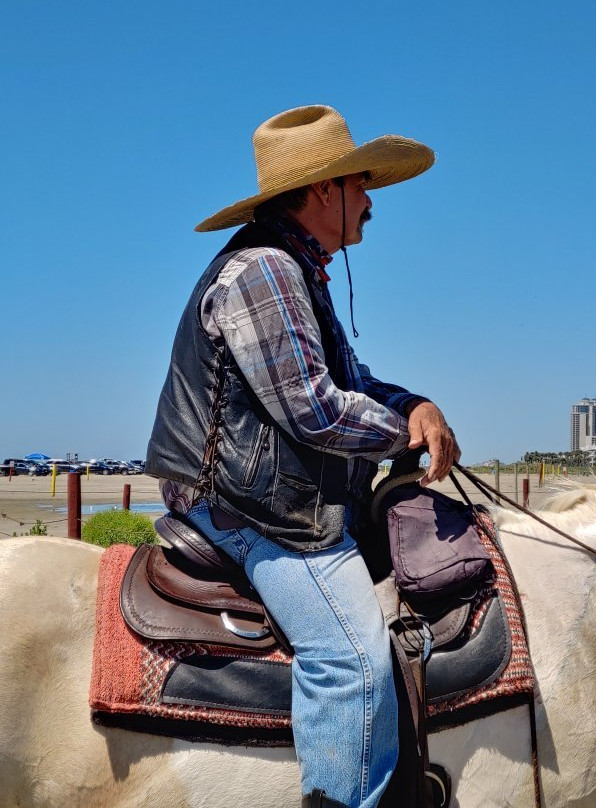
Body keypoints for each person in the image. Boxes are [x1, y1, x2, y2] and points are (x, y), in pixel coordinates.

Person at [145, 105, 460, 808]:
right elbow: (313, 410)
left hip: (270, 497)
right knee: (350, 660)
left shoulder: (300, 270)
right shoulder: (264, 272)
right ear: (324, 191)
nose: (371, 199)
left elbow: (353, 380)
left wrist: (414, 404)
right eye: (360, 184)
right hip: (250, 509)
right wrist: (404, 435)